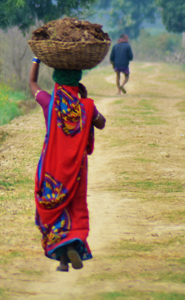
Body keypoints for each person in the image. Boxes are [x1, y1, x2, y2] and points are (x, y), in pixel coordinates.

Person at [29, 58, 106, 272]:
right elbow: (101, 123)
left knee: (56, 209)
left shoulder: (49, 102)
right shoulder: (86, 107)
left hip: (51, 168)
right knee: (75, 207)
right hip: (77, 170)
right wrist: (86, 99)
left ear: (56, 81)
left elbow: (32, 84)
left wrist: (36, 60)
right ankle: (73, 244)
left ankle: (63, 261)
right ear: (78, 81)